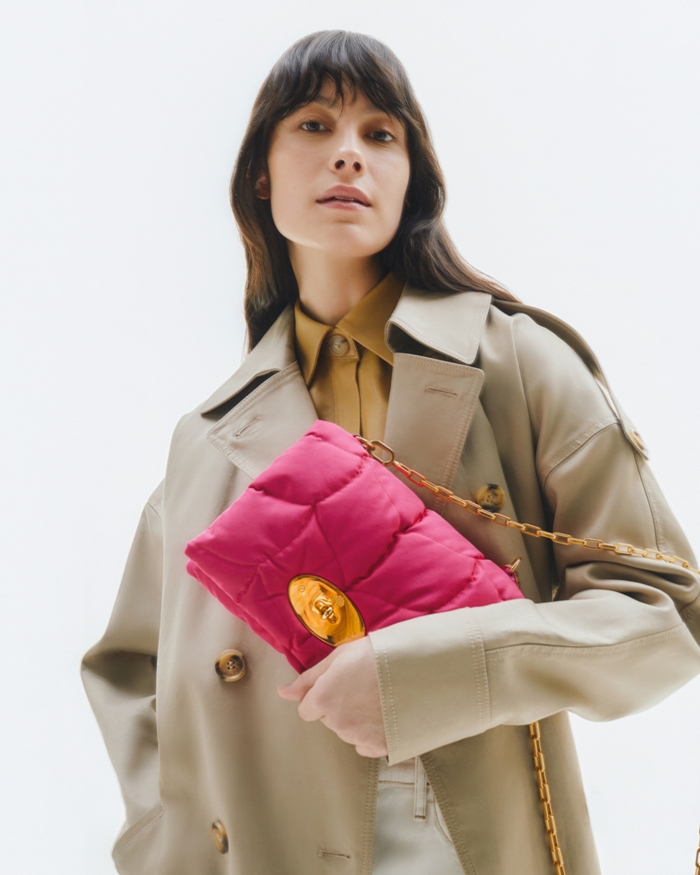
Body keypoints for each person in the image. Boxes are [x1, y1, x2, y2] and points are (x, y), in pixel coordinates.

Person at [81, 30, 700, 875]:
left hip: (466, 835)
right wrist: (168, 838)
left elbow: (664, 614)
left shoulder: (515, 363)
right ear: (261, 174)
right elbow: (132, 668)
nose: (348, 154)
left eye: (380, 134)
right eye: (313, 125)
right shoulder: (207, 436)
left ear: (413, 182)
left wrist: (438, 674)